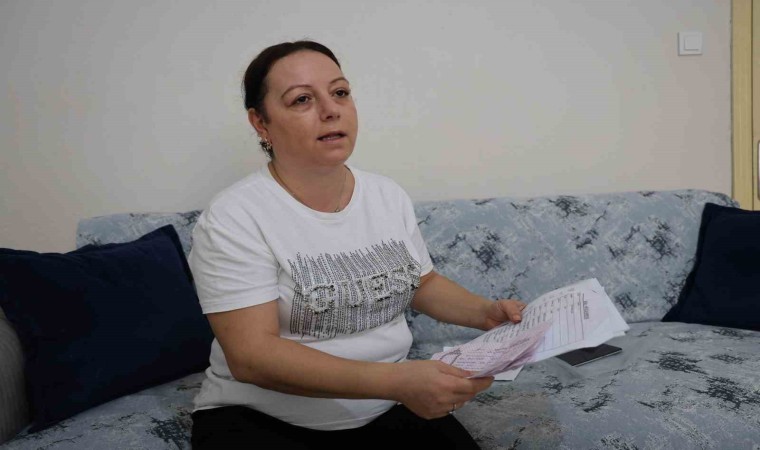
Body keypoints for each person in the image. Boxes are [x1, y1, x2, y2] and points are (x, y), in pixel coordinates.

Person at [188, 40, 526, 449]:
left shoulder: (386, 195)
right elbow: (252, 356)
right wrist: (397, 381)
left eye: (340, 92)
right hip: (262, 419)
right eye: (302, 100)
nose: (331, 109)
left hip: (387, 407)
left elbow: (422, 283)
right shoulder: (234, 216)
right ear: (261, 123)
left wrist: (485, 313)